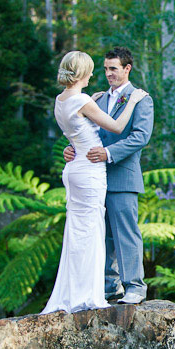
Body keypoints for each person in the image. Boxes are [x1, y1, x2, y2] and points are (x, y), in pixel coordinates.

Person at [42, 51, 147, 314]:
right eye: (104, 69)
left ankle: (134, 287)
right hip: (90, 173)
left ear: (127, 69)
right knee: (101, 234)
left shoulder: (142, 99)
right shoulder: (94, 98)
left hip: (120, 174)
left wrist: (109, 154)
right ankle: (107, 288)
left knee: (125, 232)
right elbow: (86, 130)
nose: (108, 74)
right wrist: (72, 147)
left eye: (113, 68)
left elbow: (140, 137)